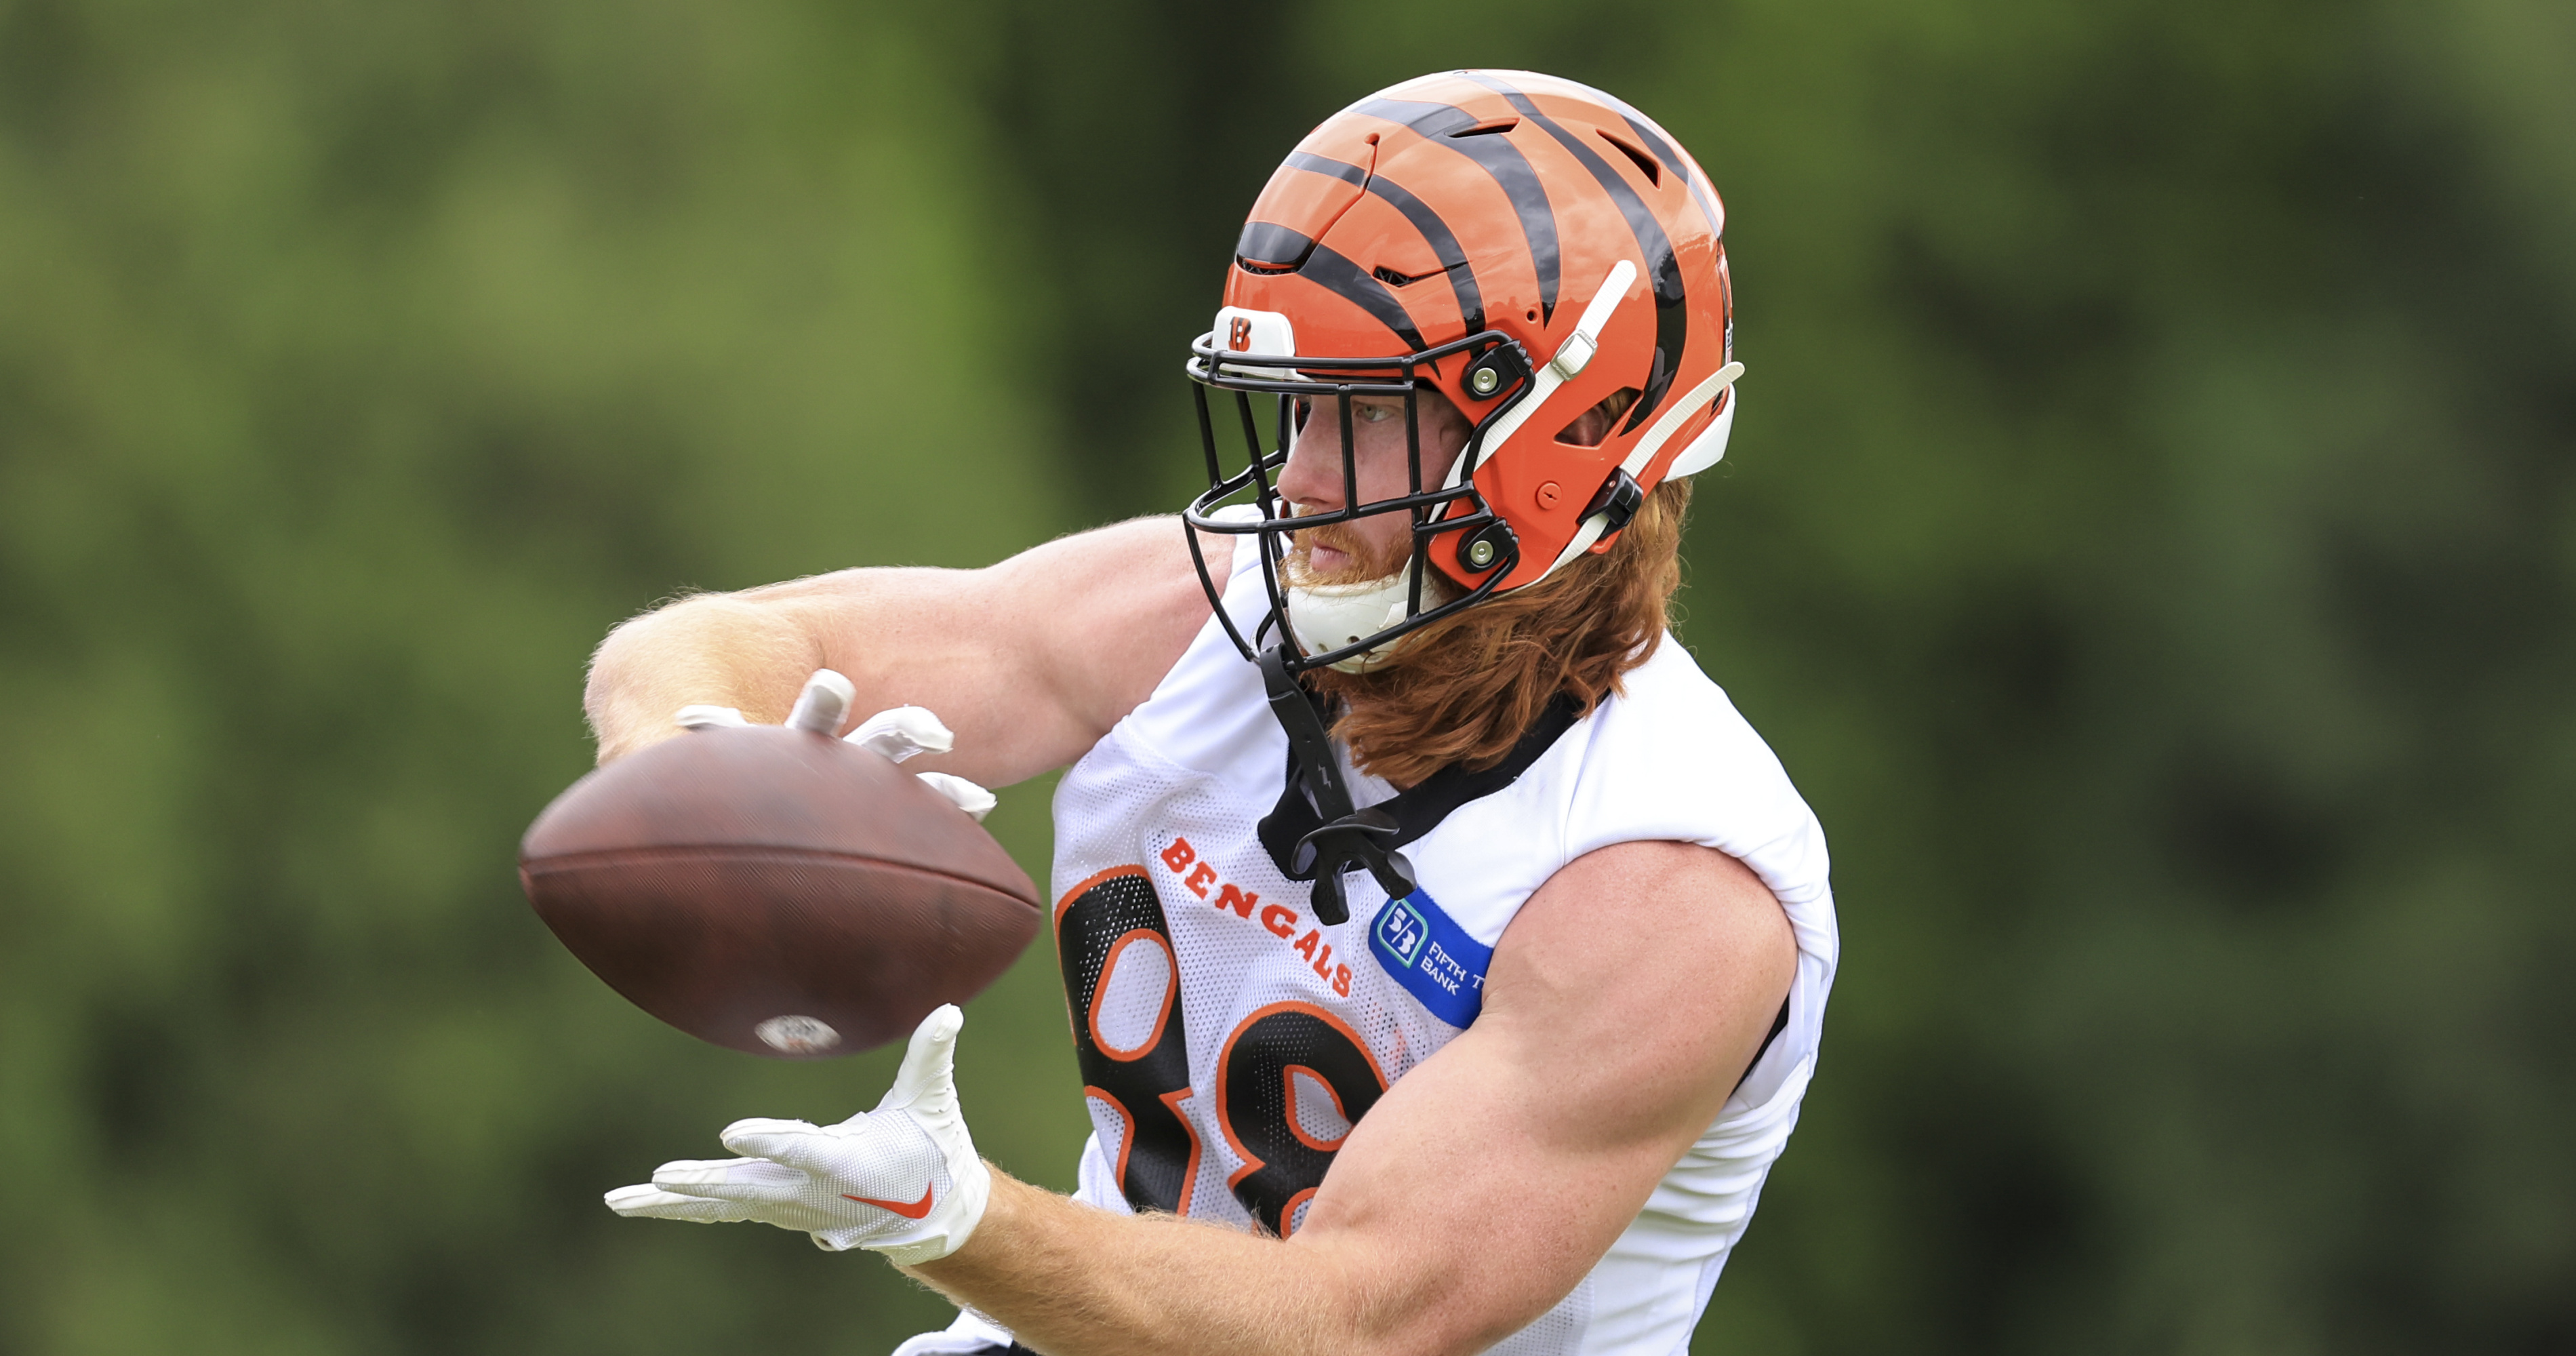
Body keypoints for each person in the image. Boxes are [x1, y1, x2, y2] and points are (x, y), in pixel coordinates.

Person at [586, 69, 1837, 1356]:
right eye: (1294, 408)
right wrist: (698, 761)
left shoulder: (1672, 889)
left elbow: (1352, 1319)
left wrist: (957, 1219)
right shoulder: (1208, 613)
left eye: (1362, 419)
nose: (1293, 480)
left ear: (1562, 441)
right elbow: (712, 641)